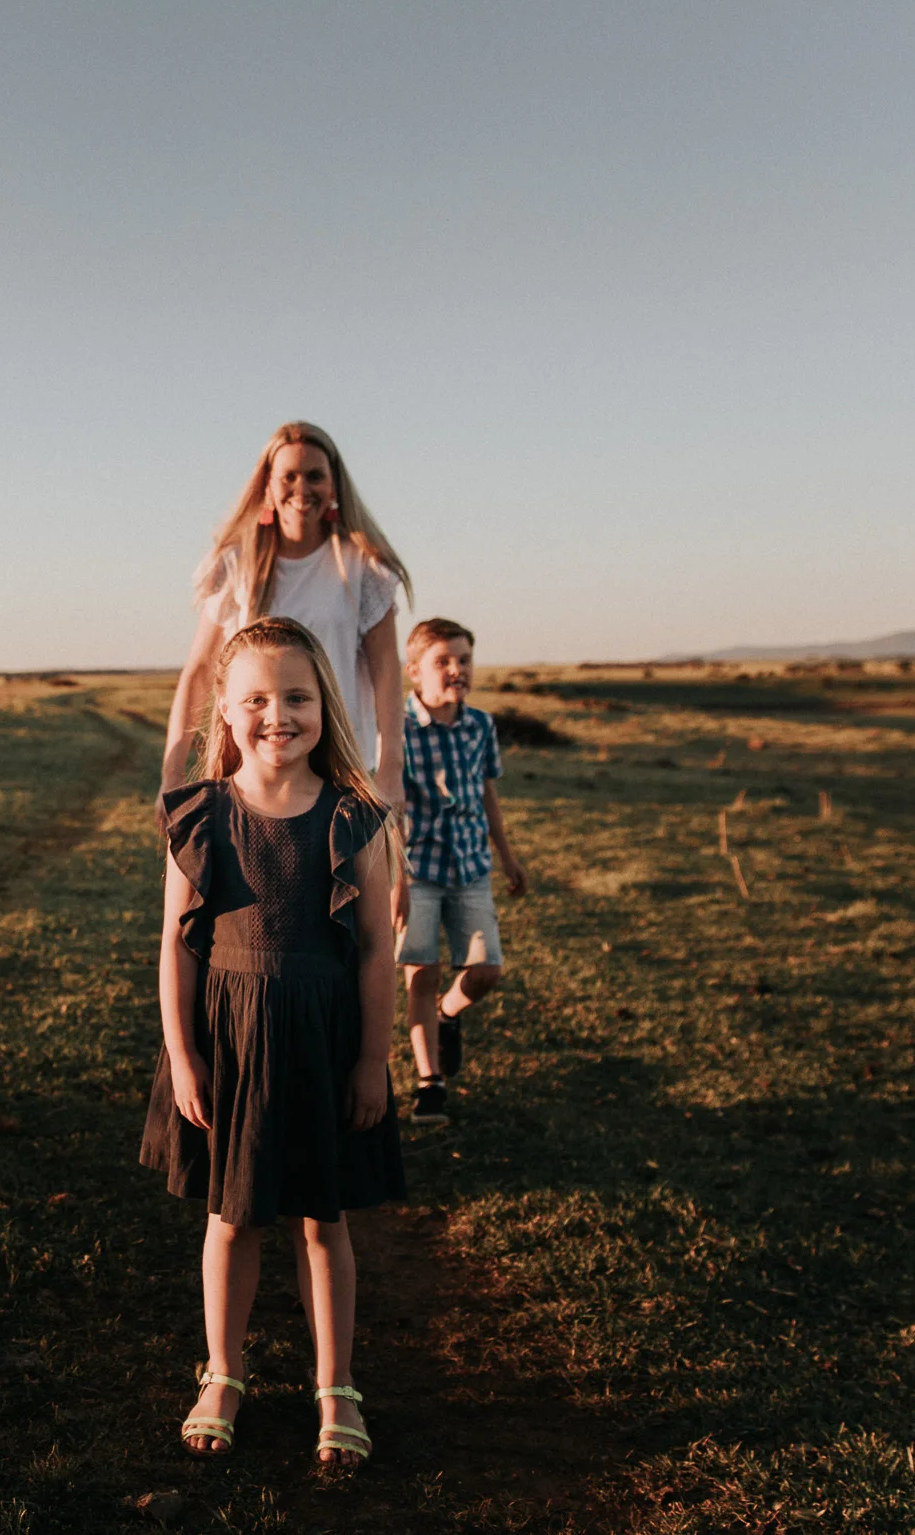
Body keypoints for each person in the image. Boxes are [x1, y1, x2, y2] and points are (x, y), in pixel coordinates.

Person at [141, 617, 403, 1469]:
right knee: (232, 1218)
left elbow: (376, 948)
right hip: (232, 1044)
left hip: (325, 1042)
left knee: (322, 1223)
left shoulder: (356, 819)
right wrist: (185, 1056)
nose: (277, 715)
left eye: (296, 696)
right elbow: (176, 947)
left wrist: (373, 1059)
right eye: (255, 698)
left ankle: (337, 1385)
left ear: (324, 705)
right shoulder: (198, 815)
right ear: (224, 708)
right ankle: (223, 1373)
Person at [161, 423, 411, 795]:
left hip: (340, 770)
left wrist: (391, 768)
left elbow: (386, 670)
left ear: (334, 487)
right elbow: (199, 671)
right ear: (267, 486)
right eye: (288, 477)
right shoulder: (237, 565)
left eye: (315, 476)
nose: (302, 489)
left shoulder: (362, 568)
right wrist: (173, 773)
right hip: (251, 771)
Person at [398, 618, 529, 1125]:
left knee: (486, 970)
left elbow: (487, 792)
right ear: (415, 671)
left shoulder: (480, 726)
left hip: (471, 866)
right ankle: (429, 1081)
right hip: (417, 871)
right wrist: (393, 879)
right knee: (422, 975)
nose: (457, 670)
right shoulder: (398, 728)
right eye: (443, 661)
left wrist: (508, 856)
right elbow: (388, 806)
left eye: (465, 660)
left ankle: (448, 1014)